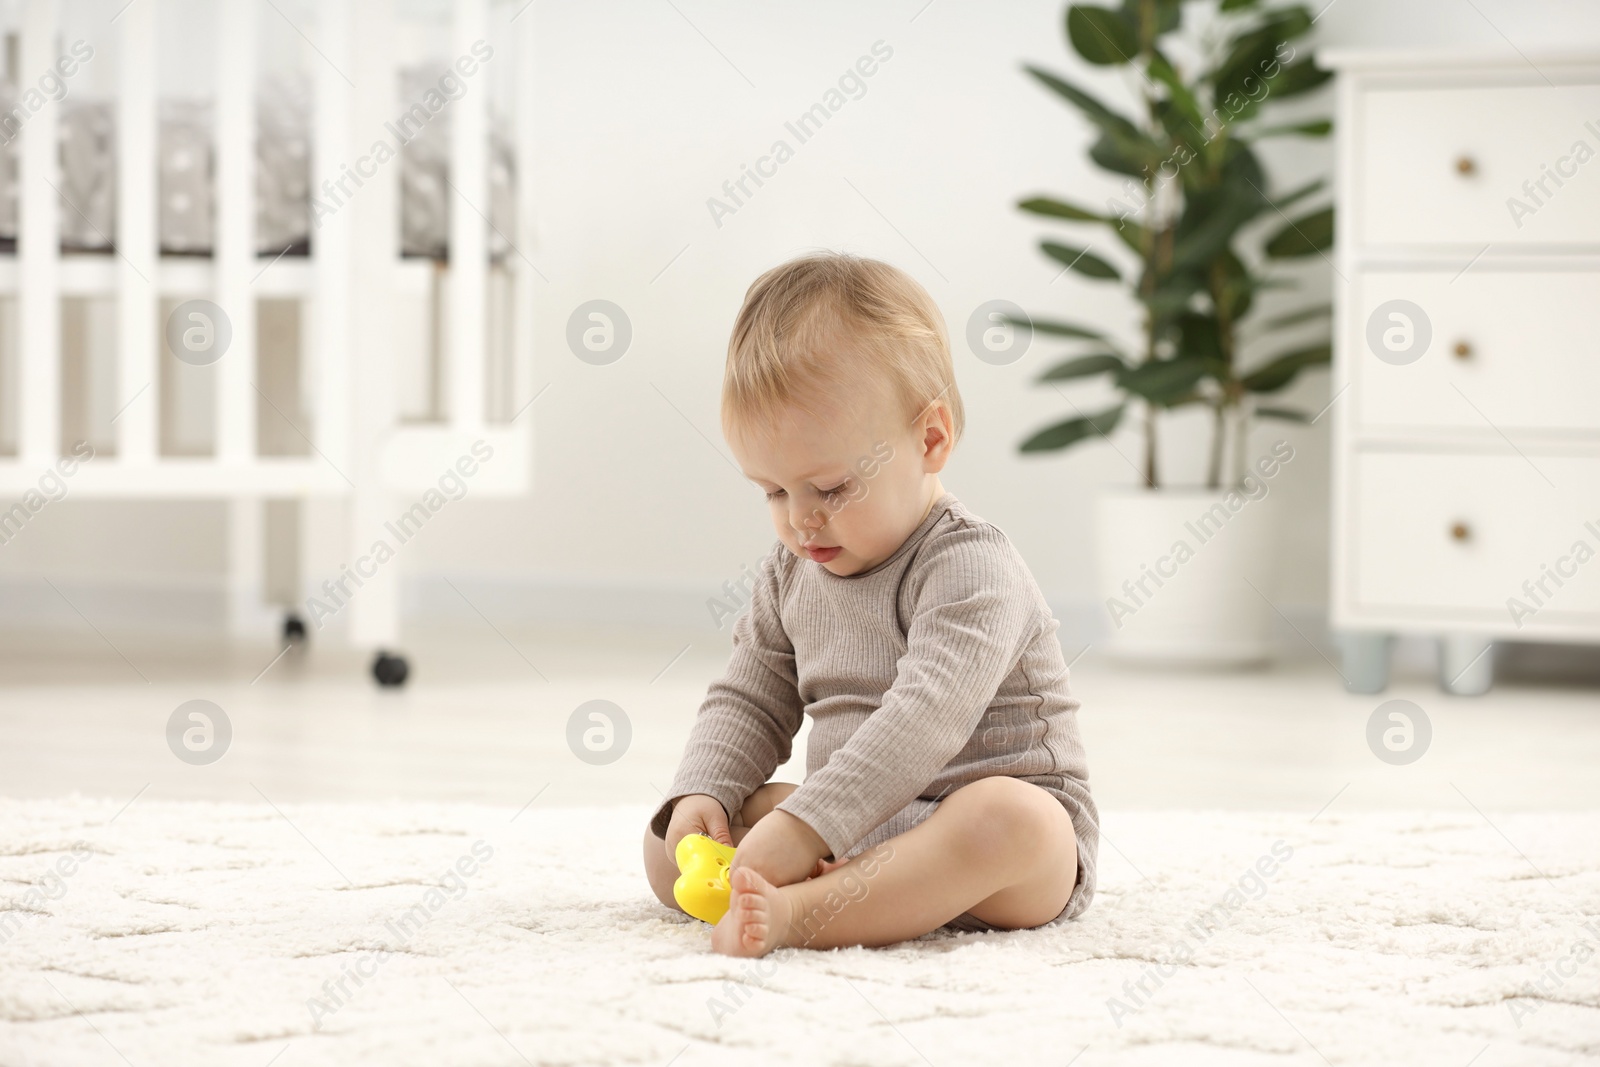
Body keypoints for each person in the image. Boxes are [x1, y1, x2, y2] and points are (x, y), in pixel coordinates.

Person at [642, 251, 1098, 957]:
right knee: (672, 843)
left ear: (930, 438)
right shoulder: (791, 572)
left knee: (1010, 817)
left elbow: (923, 719)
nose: (800, 521)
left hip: (995, 857)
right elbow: (749, 696)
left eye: (828, 488)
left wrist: (802, 830)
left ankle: (801, 915)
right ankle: (848, 890)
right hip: (858, 825)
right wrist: (703, 790)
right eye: (772, 491)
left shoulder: (972, 567)